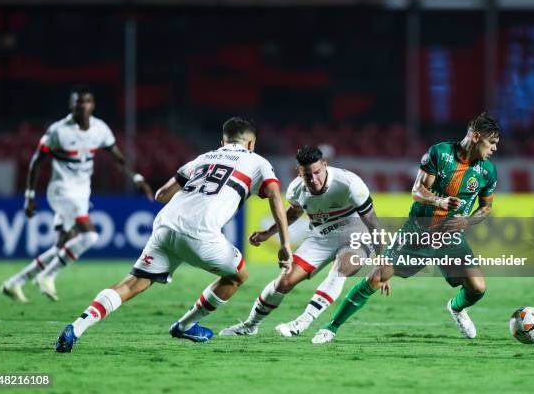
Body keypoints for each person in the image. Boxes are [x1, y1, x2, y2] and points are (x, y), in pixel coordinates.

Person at [55, 116, 291, 352]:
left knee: (132, 283)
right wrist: (283, 243)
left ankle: (77, 327)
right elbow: (274, 195)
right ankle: (186, 325)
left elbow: (161, 194)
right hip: (201, 233)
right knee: (237, 276)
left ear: (222, 141)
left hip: (166, 224)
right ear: (252, 144)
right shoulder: (258, 161)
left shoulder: (203, 158)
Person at [312, 112, 499, 344]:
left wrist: (467, 221)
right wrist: (439, 201)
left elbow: (486, 208)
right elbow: (417, 192)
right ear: (476, 136)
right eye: (491, 143)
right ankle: (330, 328)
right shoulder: (440, 153)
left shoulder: (487, 171)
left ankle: (456, 308)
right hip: (418, 232)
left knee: (478, 288)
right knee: (376, 278)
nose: (494, 149)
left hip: (451, 237)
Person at [1, 85, 152, 302]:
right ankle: (47, 275)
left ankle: (15, 282)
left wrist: (137, 178)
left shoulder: (100, 129)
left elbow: (117, 156)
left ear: (93, 105)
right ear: (71, 105)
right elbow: (36, 161)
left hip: (82, 192)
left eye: (86, 101)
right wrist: (29, 196)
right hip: (61, 190)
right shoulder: (58, 131)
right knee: (89, 235)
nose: (82, 105)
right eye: (78, 102)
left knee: (62, 246)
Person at [219, 144, 380, 338]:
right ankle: (250, 325)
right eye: (307, 175)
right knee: (284, 282)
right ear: (298, 172)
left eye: (317, 172)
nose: (314, 179)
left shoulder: (350, 184)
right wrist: (268, 233)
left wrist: (381, 263)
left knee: (340, 270)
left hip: (356, 234)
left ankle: (302, 322)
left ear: (325, 165)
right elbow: (294, 213)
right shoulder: (295, 189)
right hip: (322, 237)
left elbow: (373, 223)